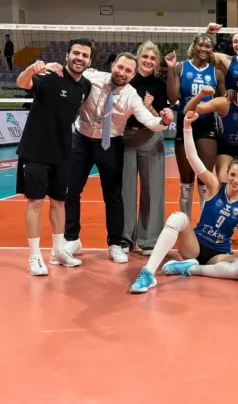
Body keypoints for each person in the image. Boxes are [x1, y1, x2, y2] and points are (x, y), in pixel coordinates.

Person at [129, 111, 238, 298]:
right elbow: (193, 159)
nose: (236, 180)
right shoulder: (215, 186)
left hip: (219, 253)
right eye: (233, 175)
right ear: (227, 175)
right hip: (195, 246)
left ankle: (191, 269)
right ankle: (148, 273)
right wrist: (187, 128)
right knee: (178, 218)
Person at [63, 53, 173, 264]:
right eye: (120, 67)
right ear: (113, 65)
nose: (122, 73)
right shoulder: (92, 77)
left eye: (128, 71)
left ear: (132, 75)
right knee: (71, 190)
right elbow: (69, 73)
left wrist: (164, 122)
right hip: (82, 139)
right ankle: (71, 238)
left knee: (114, 196)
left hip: (109, 143)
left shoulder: (132, 96)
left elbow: (149, 121)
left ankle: (115, 243)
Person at [15, 40, 93, 275]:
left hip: (63, 152)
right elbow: (22, 83)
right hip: (36, 150)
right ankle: (34, 256)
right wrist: (32, 68)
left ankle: (59, 250)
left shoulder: (85, 85)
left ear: (90, 61)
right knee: (35, 202)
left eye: (85, 55)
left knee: (59, 202)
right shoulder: (50, 76)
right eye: (76, 53)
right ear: (67, 55)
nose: (80, 58)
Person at [166, 33, 225, 219]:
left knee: (204, 179)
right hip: (185, 124)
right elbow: (173, 98)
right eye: (201, 45)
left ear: (211, 49)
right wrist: (170, 70)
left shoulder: (216, 73)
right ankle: (185, 225)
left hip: (206, 125)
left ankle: (203, 224)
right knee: (186, 180)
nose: (204, 49)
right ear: (194, 46)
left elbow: (224, 102)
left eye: (208, 46)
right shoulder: (181, 67)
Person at [122, 41, 170, 256]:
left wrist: (149, 107)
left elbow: (162, 117)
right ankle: (124, 239)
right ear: (138, 57)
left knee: (153, 190)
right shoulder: (126, 80)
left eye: (153, 58)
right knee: (125, 190)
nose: (148, 61)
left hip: (151, 137)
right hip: (126, 137)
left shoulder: (159, 85)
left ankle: (150, 239)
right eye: (145, 57)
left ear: (157, 62)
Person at [184, 71, 238, 186]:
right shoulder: (225, 102)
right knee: (225, 183)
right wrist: (201, 95)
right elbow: (188, 110)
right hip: (225, 147)